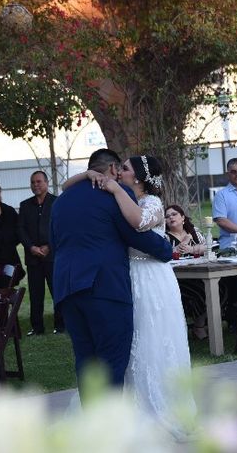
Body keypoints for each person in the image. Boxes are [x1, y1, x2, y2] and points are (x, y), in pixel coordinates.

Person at [62, 154, 194, 437]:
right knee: (128, 346)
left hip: (150, 277)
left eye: (124, 169)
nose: (118, 172)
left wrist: (113, 188)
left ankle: (153, 410)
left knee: (149, 340)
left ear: (138, 177)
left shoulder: (150, 202)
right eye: (118, 167)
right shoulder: (118, 196)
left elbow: (136, 223)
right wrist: (88, 175)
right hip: (124, 277)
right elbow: (65, 185)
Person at [51, 149, 173, 400]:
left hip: (67, 288)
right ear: (113, 170)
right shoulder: (115, 194)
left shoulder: (61, 200)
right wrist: (165, 248)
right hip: (104, 288)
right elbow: (133, 234)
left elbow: (54, 243)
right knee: (112, 363)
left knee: (86, 361)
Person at [18, 171, 62, 336]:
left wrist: (49, 246)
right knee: (36, 294)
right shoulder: (25, 205)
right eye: (32, 182)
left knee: (57, 291)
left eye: (38, 182)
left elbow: (60, 227)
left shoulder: (57, 203)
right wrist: (31, 248)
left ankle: (60, 325)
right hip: (33, 257)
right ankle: (37, 328)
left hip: (52, 255)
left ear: (46, 182)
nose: (35, 185)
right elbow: (20, 229)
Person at [165, 204, 212, 340]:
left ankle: (200, 324)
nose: (171, 218)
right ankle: (198, 327)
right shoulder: (165, 237)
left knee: (221, 288)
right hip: (178, 278)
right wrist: (181, 245)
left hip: (199, 273)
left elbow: (208, 247)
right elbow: (167, 253)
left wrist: (192, 249)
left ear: (183, 218)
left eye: (174, 214)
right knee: (199, 293)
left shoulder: (194, 232)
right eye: (167, 217)